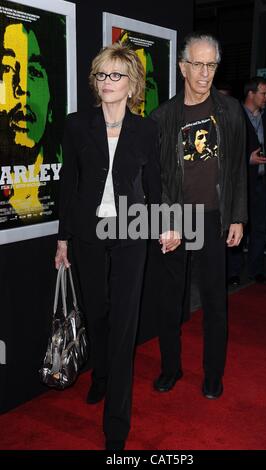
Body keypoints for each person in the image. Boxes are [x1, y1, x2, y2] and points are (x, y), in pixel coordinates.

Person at [55, 43, 161, 450]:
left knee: (124, 325)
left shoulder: (146, 129)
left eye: (116, 75)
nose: (106, 82)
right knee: (97, 312)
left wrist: (165, 226)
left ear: (132, 83)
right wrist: (63, 238)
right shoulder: (77, 124)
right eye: (101, 74)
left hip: (133, 233)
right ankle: (100, 374)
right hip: (87, 233)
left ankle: (116, 422)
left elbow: (155, 185)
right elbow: (69, 184)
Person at [150, 32, 247, 399]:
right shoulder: (163, 116)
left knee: (214, 301)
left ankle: (212, 374)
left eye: (211, 65)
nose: (205, 73)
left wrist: (236, 216)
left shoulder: (230, 111)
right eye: (198, 64)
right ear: (182, 67)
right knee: (170, 300)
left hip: (213, 217)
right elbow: (156, 177)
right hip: (176, 218)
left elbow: (237, 168)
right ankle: (170, 368)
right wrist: (165, 221)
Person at [0, 17, 65, 224]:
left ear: (52, 103)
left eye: (35, 72)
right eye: (8, 69)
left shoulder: (66, 186)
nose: (22, 88)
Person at [228, 76, 266, 286]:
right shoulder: (234, 115)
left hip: (263, 182)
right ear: (251, 93)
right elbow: (226, 151)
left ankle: (255, 270)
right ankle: (232, 272)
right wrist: (249, 158)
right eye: (264, 93)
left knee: (260, 228)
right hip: (241, 184)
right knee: (237, 227)